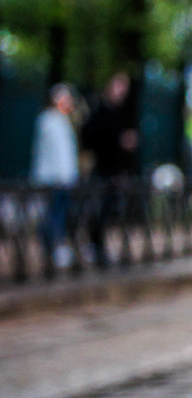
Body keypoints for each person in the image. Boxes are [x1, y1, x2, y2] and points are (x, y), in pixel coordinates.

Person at [82, 71, 140, 267]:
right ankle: (93, 245)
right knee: (99, 210)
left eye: (124, 87)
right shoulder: (100, 111)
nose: (121, 91)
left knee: (110, 211)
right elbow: (89, 138)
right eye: (118, 86)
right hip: (102, 170)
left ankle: (101, 246)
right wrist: (118, 140)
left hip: (116, 171)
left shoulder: (122, 113)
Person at [30, 84, 80, 269]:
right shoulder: (48, 120)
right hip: (53, 178)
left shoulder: (63, 121)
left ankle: (55, 247)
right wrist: (63, 175)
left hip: (63, 178)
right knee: (53, 215)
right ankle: (52, 248)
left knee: (59, 213)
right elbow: (55, 154)